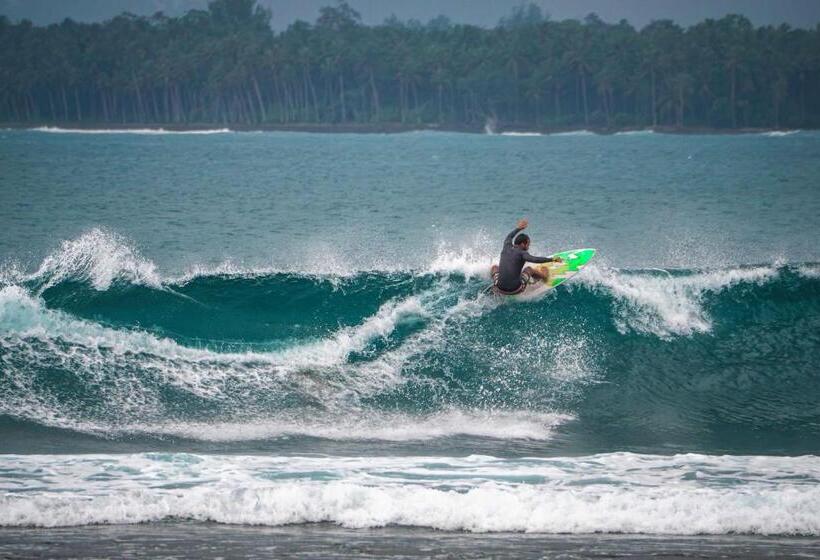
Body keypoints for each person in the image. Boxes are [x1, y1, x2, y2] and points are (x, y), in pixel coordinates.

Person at [490, 218, 561, 294]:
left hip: (499, 288)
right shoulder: (522, 253)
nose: (528, 246)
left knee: (494, 267)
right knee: (529, 269)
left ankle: (498, 286)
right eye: (528, 244)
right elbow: (535, 259)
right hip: (515, 289)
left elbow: (509, 236)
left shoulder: (506, 246)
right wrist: (552, 259)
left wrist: (518, 228)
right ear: (523, 244)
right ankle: (544, 277)